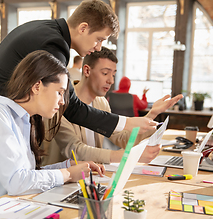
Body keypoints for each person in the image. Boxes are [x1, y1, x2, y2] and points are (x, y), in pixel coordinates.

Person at [0, 0, 161, 154]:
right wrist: (125, 123)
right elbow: (71, 107)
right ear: (83, 28)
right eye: (99, 39)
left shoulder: (47, 30)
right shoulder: (54, 45)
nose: (98, 47)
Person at [0, 51, 105, 219]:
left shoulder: (25, 120)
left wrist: (66, 166)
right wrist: (68, 174)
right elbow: (17, 182)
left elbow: (27, 174)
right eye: (59, 92)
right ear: (37, 86)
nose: (62, 101)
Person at [42, 47, 183, 165]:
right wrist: (127, 156)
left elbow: (121, 139)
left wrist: (152, 114)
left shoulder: (101, 103)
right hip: (59, 181)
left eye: (113, 74)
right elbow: (76, 150)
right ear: (87, 71)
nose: (110, 80)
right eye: (105, 73)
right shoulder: (61, 101)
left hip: (90, 179)